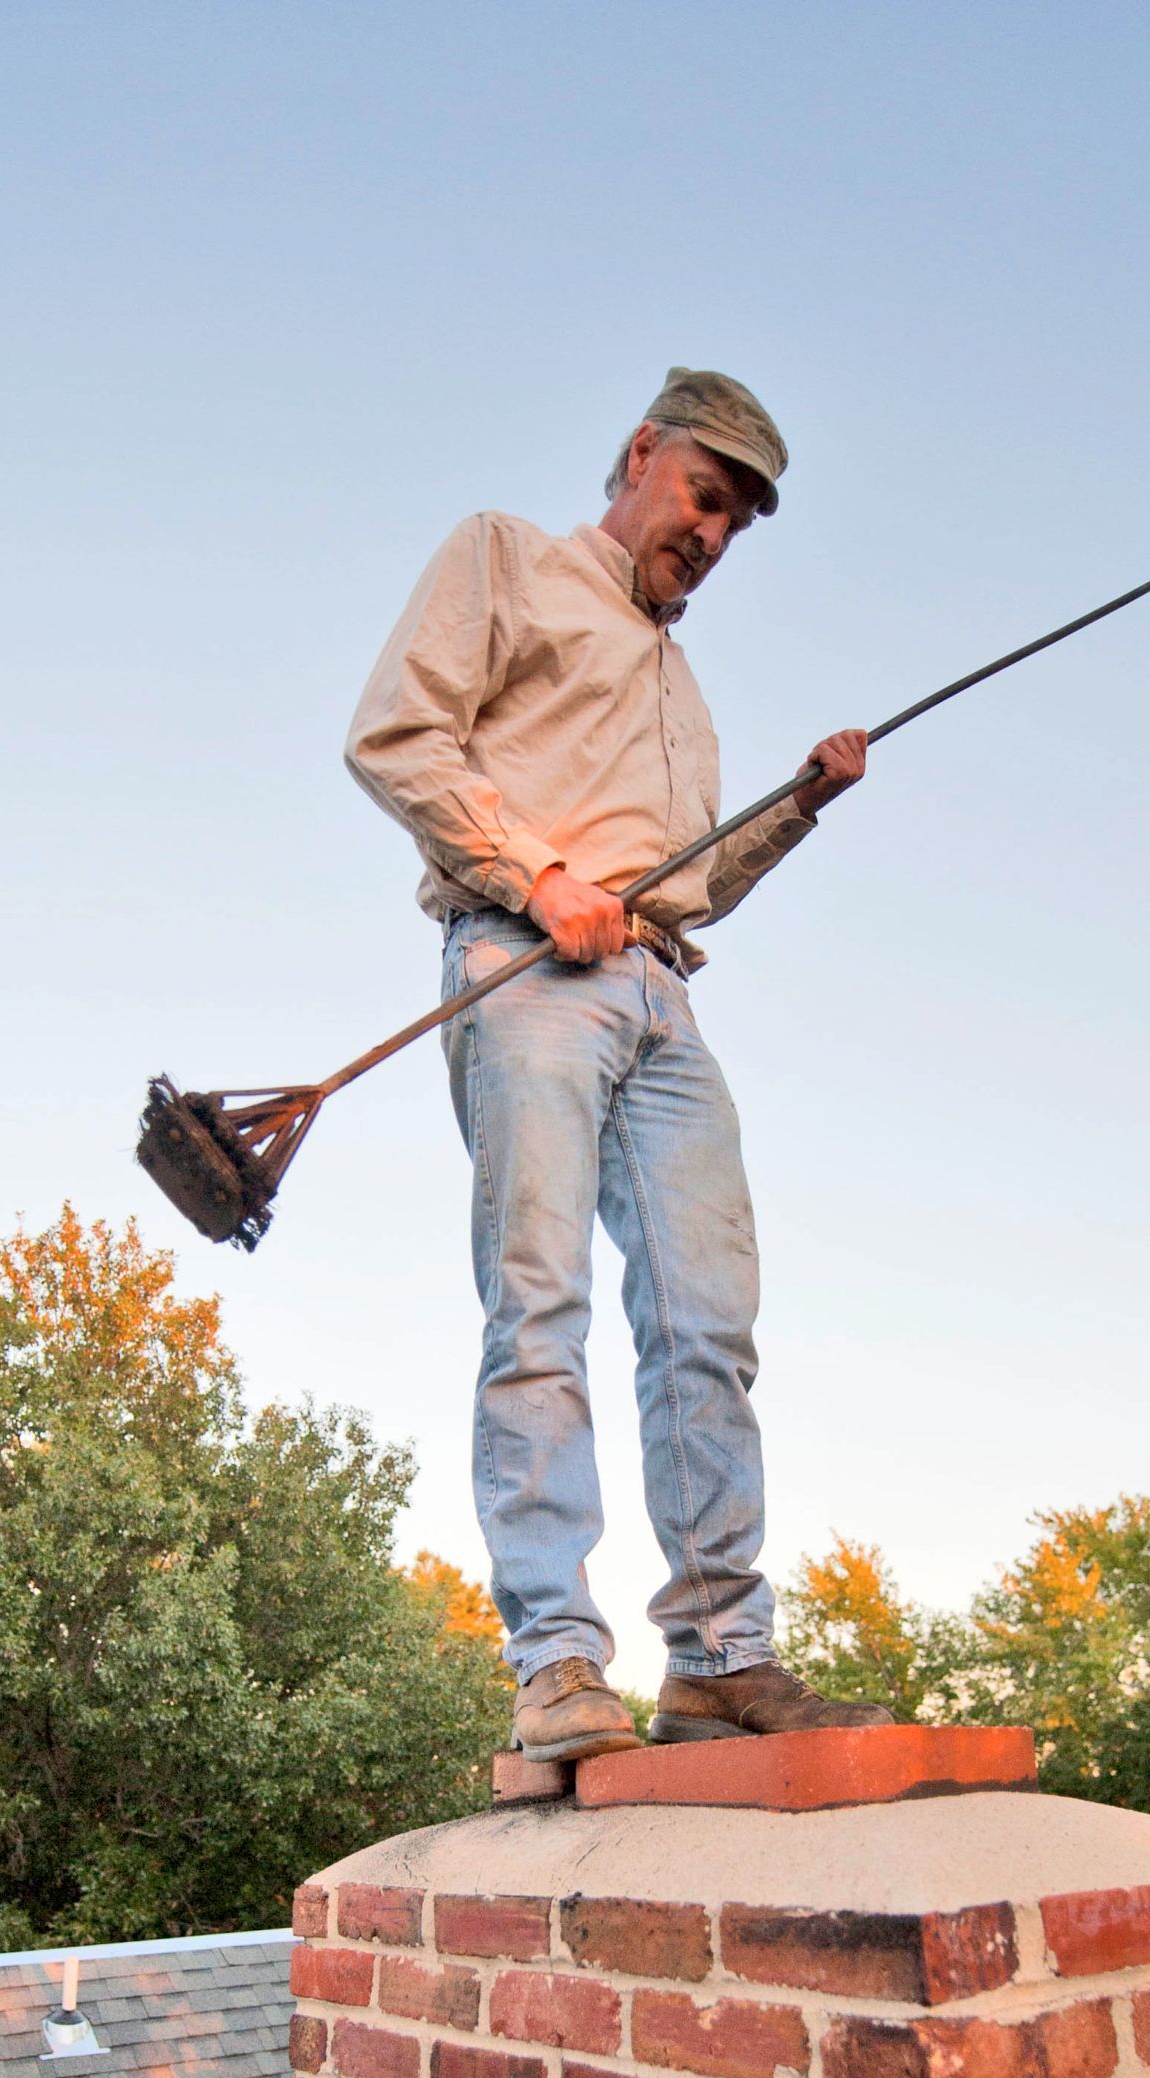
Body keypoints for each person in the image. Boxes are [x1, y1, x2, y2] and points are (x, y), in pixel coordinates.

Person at [346, 368, 893, 1764]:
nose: (713, 533)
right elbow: (395, 736)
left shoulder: (682, 687)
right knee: (540, 1305)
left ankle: (717, 1655)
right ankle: (556, 1663)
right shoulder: (505, 558)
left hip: (664, 996)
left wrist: (800, 809)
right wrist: (535, 875)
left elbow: (690, 884)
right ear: (643, 455)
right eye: (705, 495)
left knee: (709, 1324)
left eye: (738, 524)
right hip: (527, 971)